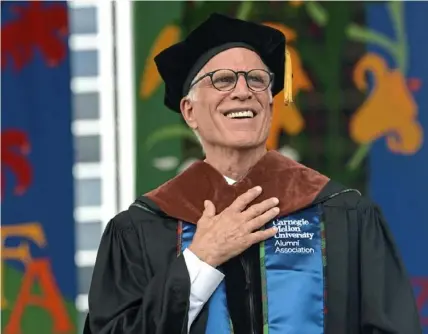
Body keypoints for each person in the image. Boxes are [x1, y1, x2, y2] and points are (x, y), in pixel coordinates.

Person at [84, 13, 422, 334]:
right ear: (190, 111)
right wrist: (200, 260)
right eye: (223, 80)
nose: (243, 91)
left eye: (257, 80)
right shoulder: (144, 228)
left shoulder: (341, 215)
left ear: (271, 107)